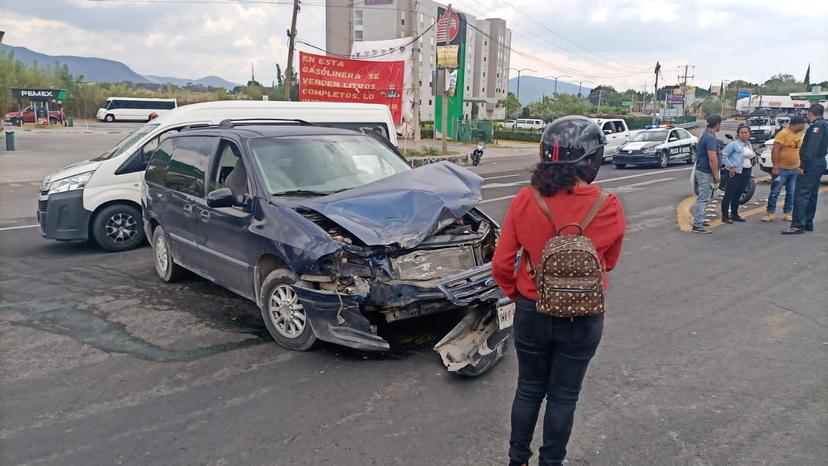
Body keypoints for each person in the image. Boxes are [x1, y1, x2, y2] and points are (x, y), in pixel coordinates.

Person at [492, 116, 626, 466]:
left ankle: (517, 459)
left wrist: (520, 295)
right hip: (583, 317)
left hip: (531, 311)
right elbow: (608, 263)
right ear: (591, 161)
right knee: (564, 397)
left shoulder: (525, 200)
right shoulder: (608, 204)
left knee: (528, 389)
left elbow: (502, 264)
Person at [783, 103, 828, 234]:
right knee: (812, 194)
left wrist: (803, 165)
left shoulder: (817, 127)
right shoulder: (824, 125)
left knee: (801, 194)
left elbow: (811, 149)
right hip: (819, 163)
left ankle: (798, 225)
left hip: (812, 164)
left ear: (810, 113)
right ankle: (808, 223)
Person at [762, 115, 807, 222]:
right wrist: (775, 167)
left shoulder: (799, 134)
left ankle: (787, 212)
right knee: (775, 191)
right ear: (796, 124)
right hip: (782, 168)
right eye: (803, 125)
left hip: (794, 168)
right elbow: (775, 151)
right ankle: (770, 213)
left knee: (791, 192)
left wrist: (800, 166)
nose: (804, 127)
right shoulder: (783, 134)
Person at [692, 114, 723, 233]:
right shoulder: (710, 138)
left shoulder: (706, 135)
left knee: (704, 197)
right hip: (706, 171)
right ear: (717, 124)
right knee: (703, 198)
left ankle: (699, 219)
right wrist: (716, 174)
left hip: (703, 170)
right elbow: (712, 158)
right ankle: (697, 225)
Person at [720, 124, 755, 223]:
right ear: (738, 134)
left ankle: (734, 214)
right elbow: (723, 155)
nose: (744, 135)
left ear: (749, 134)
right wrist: (730, 166)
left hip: (746, 171)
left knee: (738, 194)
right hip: (735, 172)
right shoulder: (733, 144)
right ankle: (725, 216)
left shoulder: (749, 144)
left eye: (746, 132)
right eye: (742, 133)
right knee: (729, 194)